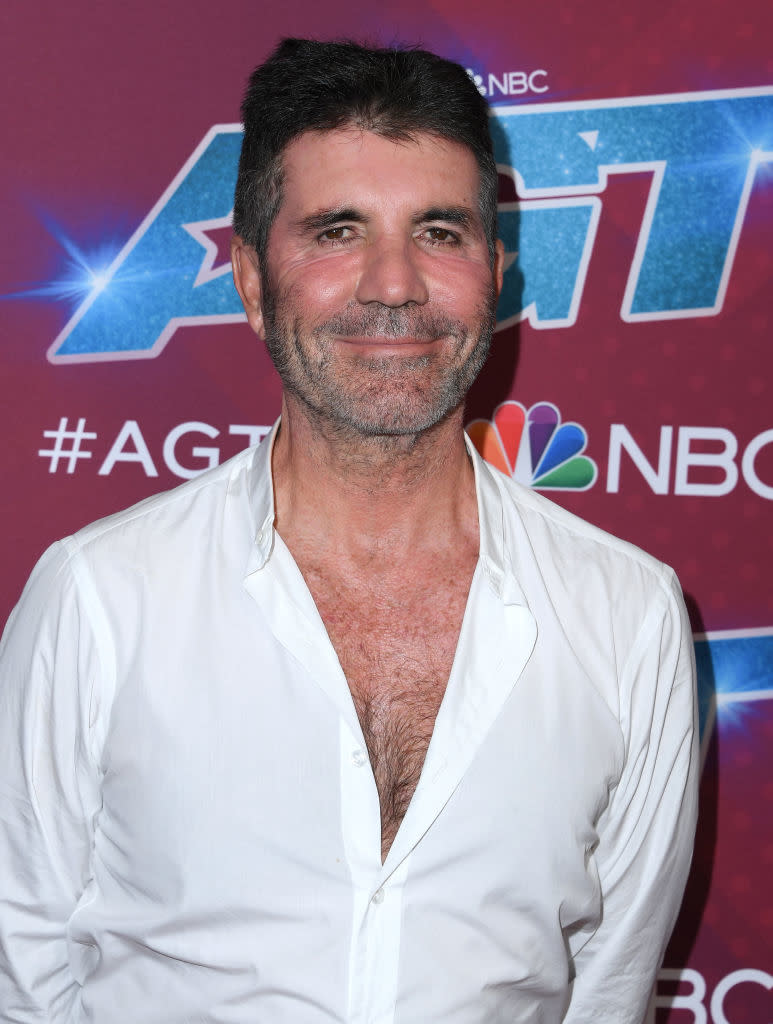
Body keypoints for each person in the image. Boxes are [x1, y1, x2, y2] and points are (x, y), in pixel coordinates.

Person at [0, 38, 697, 1023]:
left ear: (495, 273)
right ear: (248, 279)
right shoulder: (99, 595)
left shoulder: (627, 611)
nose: (393, 286)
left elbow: (609, 986)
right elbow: (18, 971)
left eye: (439, 232)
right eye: (336, 230)